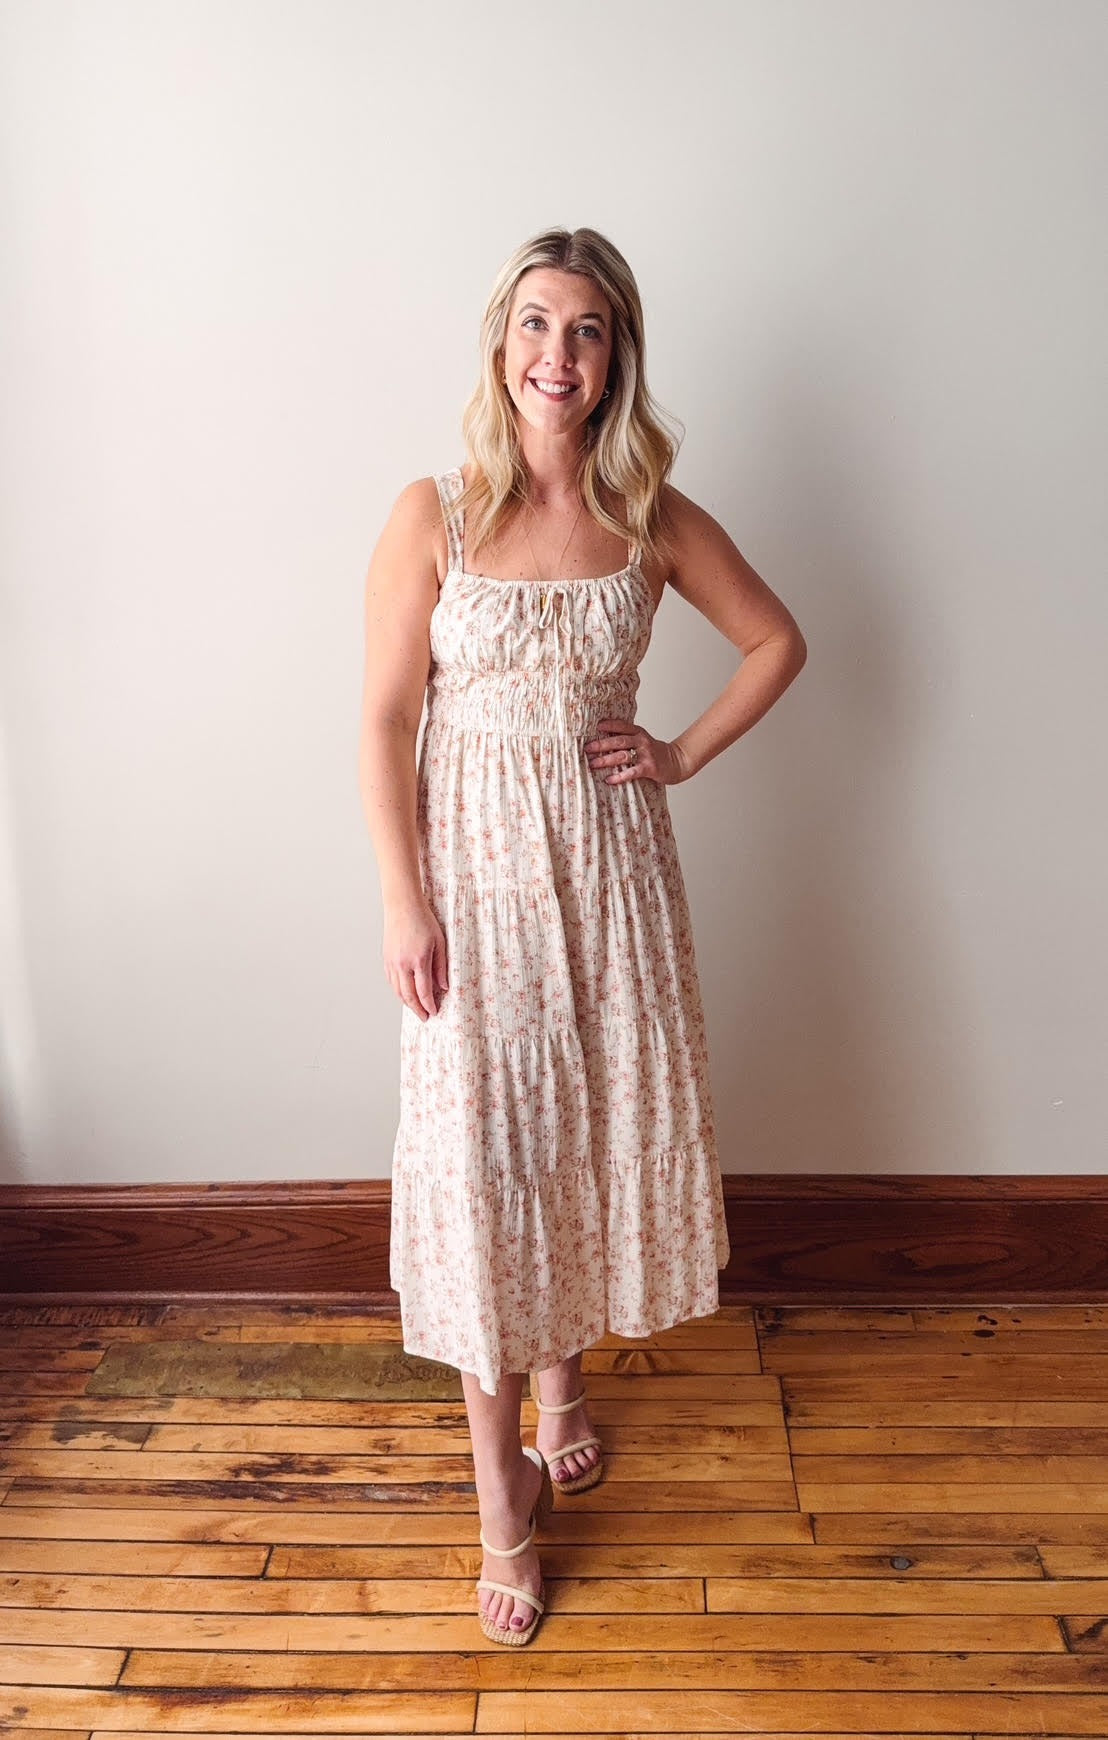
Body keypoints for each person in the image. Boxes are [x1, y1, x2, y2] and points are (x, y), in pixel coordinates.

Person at [359, 226, 807, 1647]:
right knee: (483, 1167)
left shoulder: (651, 514)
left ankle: (562, 1382)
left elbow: (777, 640)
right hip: (472, 896)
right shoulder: (434, 513)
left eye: (590, 330)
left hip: (610, 887)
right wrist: (399, 894)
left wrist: (677, 753)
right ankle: (501, 1494)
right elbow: (381, 719)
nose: (560, 354)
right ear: (504, 345)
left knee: (572, 1143)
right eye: (538, 324)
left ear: (618, 359)